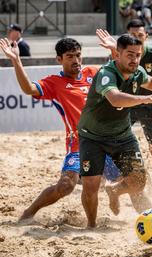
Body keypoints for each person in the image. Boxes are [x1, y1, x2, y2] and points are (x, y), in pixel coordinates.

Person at [78, 34, 152, 228]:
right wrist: (145, 99)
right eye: (130, 55)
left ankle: (115, 192)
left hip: (122, 135)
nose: (135, 59)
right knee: (90, 186)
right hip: (93, 136)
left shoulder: (137, 71)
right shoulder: (107, 73)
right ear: (117, 54)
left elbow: (151, 82)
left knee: (138, 181)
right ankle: (91, 225)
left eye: (138, 55)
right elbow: (115, 98)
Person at [0, 37, 98, 221]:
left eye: (78, 55)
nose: (76, 60)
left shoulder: (93, 73)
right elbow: (29, 89)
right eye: (70, 56)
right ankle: (29, 213)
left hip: (106, 140)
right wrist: (16, 60)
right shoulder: (54, 83)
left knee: (131, 179)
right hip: (79, 143)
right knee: (66, 186)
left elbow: (119, 76)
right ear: (59, 60)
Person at [103, 19, 152, 193]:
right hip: (127, 104)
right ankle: (115, 182)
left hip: (151, 105)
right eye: (133, 35)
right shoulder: (119, 54)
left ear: (146, 36)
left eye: (140, 35)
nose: (137, 38)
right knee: (114, 144)